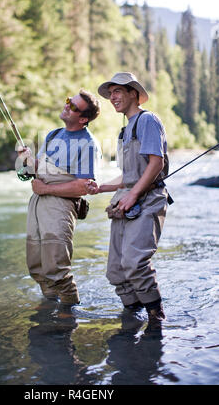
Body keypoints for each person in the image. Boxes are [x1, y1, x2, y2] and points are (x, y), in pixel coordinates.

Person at [94, 72, 169, 326]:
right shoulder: (125, 129)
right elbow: (128, 175)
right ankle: (132, 319)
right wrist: (102, 187)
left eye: (118, 91)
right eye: (110, 93)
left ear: (133, 94)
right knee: (116, 270)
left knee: (135, 262)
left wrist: (134, 194)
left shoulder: (147, 120)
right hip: (126, 202)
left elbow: (156, 163)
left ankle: (156, 319)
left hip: (148, 201)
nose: (112, 97)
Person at [17, 89, 101, 306]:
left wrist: (45, 190)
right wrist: (26, 160)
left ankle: (68, 315)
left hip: (60, 207)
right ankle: (50, 309)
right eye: (68, 101)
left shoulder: (88, 144)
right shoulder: (54, 135)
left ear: (83, 119)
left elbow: (84, 186)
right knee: (36, 265)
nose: (66, 106)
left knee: (56, 268)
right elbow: (39, 168)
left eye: (73, 106)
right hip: (38, 204)